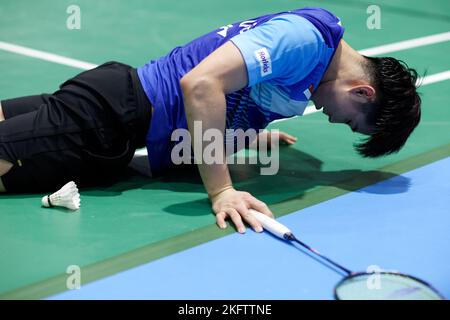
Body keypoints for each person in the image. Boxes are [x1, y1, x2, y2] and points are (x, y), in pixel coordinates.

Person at [0, 7, 421, 233]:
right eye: (351, 122)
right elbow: (200, 84)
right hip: (110, 120)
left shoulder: (320, 46)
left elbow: (242, 86)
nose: (335, 122)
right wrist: (222, 191)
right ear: (363, 92)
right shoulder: (305, 42)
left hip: (115, 97)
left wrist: (248, 134)